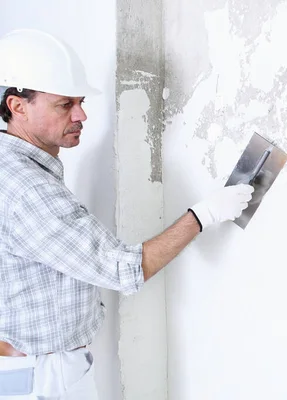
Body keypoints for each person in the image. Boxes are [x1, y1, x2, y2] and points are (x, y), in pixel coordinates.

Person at [0, 29, 253, 399]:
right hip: (45, 379)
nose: (81, 114)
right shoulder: (27, 188)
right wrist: (203, 215)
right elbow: (124, 269)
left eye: (81, 101)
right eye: (64, 104)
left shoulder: (14, 168)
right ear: (17, 107)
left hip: (34, 369)